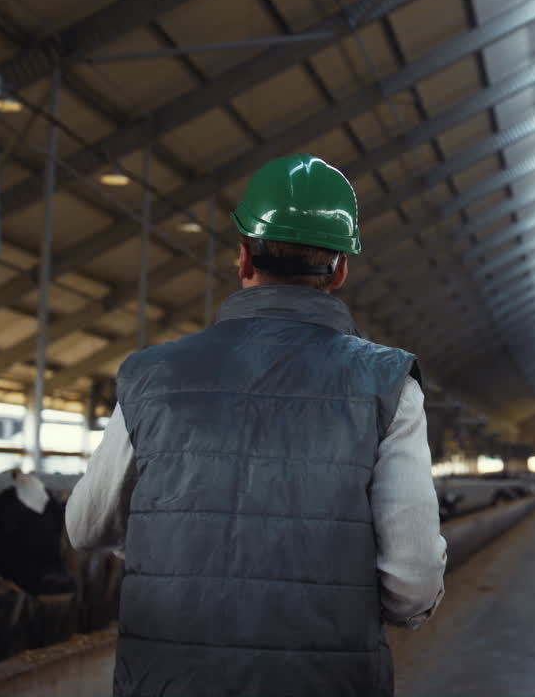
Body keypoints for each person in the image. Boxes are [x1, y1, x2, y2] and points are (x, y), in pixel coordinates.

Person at [66, 154, 446, 697]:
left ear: (243, 256)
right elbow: (412, 581)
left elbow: (85, 528)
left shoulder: (150, 376)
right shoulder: (387, 383)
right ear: (340, 269)